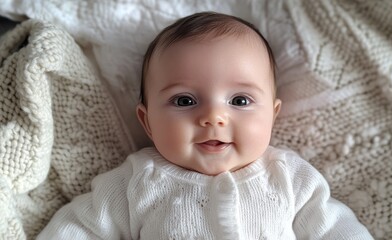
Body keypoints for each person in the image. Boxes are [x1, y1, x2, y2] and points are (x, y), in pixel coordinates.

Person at [37, 12, 373, 239]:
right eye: (184, 101)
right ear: (148, 121)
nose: (213, 117)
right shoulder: (136, 181)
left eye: (240, 101)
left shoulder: (289, 177)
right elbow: (78, 227)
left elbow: (335, 230)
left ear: (272, 115)